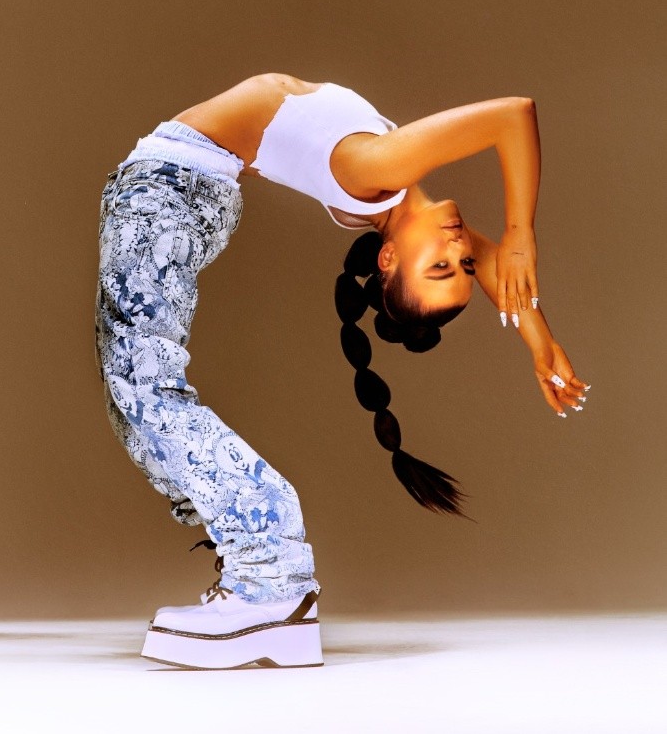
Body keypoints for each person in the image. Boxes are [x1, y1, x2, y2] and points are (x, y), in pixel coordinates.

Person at [94, 73, 589, 669]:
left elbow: (512, 115)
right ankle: (256, 561)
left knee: (144, 390)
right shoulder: (385, 182)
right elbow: (494, 243)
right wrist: (540, 337)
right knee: (135, 400)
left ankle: (269, 576)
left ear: (389, 258)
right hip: (179, 193)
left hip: (167, 191)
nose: (461, 249)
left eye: (440, 267)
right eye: (458, 264)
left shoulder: (374, 171)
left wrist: (519, 241)